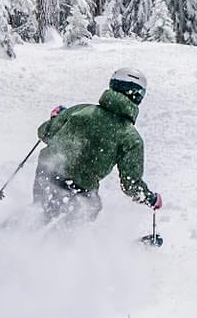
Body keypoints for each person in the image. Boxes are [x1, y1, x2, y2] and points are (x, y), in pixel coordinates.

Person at [32, 66, 163, 227]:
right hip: (80, 189)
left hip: (48, 173)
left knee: (39, 212)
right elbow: (130, 184)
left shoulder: (81, 110)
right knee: (89, 210)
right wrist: (151, 198)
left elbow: (45, 133)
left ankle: (9, 235)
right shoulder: (131, 138)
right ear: (137, 96)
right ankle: (55, 246)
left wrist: (55, 119)